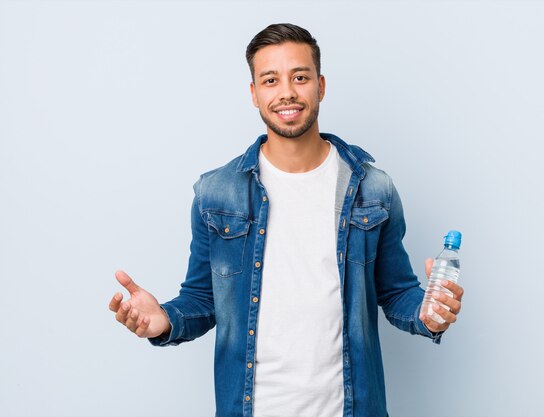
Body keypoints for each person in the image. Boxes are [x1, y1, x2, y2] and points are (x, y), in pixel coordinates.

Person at [108, 23, 464, 417]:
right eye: (270, 80)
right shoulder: (216, 193)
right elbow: (204, 300)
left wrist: (429, 313)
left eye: (300, 77)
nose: (287, 92)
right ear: (254, 94)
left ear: (321, 86)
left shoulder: (372, 189)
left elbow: (396, 292)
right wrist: (164, 320)